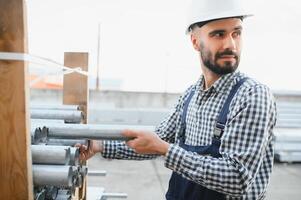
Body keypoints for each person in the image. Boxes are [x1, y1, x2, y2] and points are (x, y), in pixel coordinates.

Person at [77, 0, 277, 199]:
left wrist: (166, 150)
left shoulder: (252, 95)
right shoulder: (191, 95)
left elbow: (237, 178)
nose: (230, 44)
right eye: (218, 34)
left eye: (237, 33)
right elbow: (158, 139)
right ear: (195, 42)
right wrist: (100, 145)